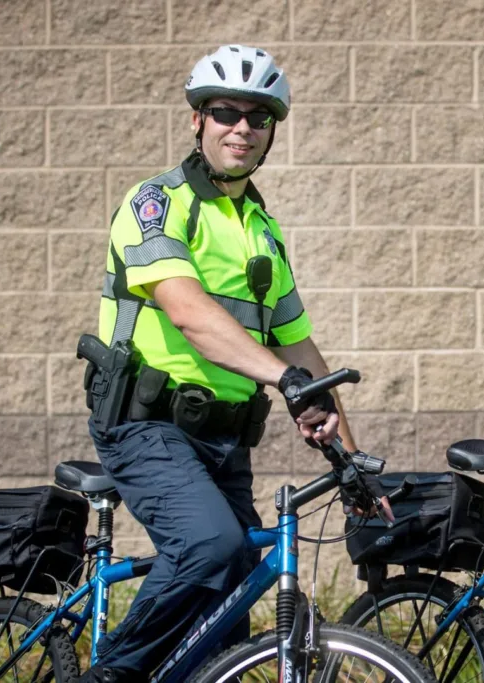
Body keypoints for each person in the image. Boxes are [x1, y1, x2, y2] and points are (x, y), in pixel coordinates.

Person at [79, 45, 387, 683]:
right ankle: (111, 674)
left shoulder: (262, 230)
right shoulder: (156, 203)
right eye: (225, 113)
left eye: (258, 117)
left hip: (224, 441)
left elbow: (301, 349)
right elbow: (188, 312)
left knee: (235, 602)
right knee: (210, 546)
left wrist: (352, 461)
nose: (241, 128)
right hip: (146, 425)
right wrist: (284, 379)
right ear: (198, 119)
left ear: (272, 131)